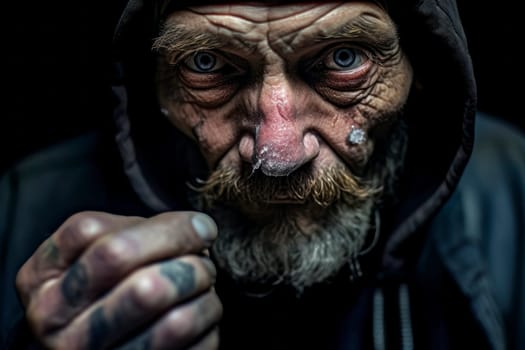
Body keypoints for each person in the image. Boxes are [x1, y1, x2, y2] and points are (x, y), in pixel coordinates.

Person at [1, 0, 524, 349]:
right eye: (206, 63)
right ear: (150, 84)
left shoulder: (514, 193)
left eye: (344, 59)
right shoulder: (25, 207)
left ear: (423, 70)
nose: (275, 153)